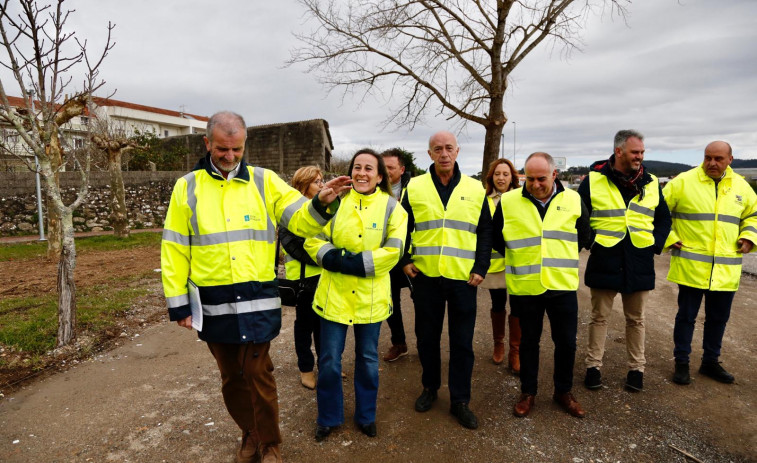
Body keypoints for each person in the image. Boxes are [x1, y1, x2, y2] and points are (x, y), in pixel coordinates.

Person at [161, 111, 351, 463]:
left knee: (258, 372)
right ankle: (249, 432)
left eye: (236, 149)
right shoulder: (186, 188)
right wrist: (179, 304)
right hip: (213, 302)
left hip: (256, 299)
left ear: (244, 144)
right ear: (207, 143)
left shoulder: (266, 182)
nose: (230, 156)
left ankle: (270, 444)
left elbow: (300, 220)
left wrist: (321, 203)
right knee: (231, 377)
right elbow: (174, 247)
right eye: (222, 149)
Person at [306, 149, 408, 442]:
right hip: (333, 297)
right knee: (329, 361)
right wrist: (333, 259)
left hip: (370, 299)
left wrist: (349, 263)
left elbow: (394, 250)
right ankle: (328, 417)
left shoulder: (392, 208)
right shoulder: (334, 203)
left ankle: (366, 416)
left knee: (367, 359)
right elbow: (313, 238)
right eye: (357, 167)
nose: (362, 173)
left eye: (369, 169)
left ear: (379, 176)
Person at [401, 131, 492, 430]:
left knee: (462, 342)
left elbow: (484, 232)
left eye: (449, 148)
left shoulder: (475, 188)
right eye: (437, 149)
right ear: (429, 154)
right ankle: (430, 388)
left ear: (457, 151)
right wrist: (405, 260)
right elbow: (402, 228)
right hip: (426, 276)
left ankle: (460, 400)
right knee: (427, 339)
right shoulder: (413, 187)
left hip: (463, 278)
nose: (444, 154)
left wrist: (481, 265)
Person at [492, 152, 593, 419]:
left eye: (541, 178)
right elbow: (495, 237)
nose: (535, 184)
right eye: (530, 178)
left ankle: (563, 391)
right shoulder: (509, 201)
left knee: (566, 344)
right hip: (526, 286)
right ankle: (528, 392)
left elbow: (585, 235)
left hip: (562, 285)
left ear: (554, 175)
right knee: (528, 343)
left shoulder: (573, 199)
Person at [580, 130, 671, 392]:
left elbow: (663, 218)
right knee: (599, 318)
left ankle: (636, 370)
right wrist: (591, 241)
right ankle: (593, 367)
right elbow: (580, 216)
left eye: (642, 152)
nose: (640, 157)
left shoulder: (651, 182)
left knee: (636, 319)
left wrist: (656, 243)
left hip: (639, 259)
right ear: (619, 151)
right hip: (604, 257)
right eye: (635, 152)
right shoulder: (593, 180)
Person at [663, 141, 757, 385]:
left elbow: (753, 215)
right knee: (686, 317)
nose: (712, 163)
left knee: (718, 319)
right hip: (691, 267)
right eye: (708, 158)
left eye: (718, 158)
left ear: (730, 160)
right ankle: (681, 363)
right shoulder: (683, 182)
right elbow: (657, 212)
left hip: (726, 269)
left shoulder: (741, 187)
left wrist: (749, 236)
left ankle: (710, 362)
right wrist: (670, 237)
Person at [278, 166, 325, 390]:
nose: (321, 185)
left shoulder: (326, 208)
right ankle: (306, 368)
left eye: (322, 180)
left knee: (325, 325)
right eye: (316, 182)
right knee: (305, 326)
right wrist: (327, 256)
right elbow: (293, 245)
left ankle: (327, 366)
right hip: (304, 279)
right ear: (303, 185)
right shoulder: (291, 211)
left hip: (326, 276)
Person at [479, 158, 521, 372]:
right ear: (491, 177)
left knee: (517, 308)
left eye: (505, 174)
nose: (501, 178)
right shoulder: (483, 200)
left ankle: (515, 351)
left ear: (512, 177)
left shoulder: (522, 199)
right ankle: (499, 344)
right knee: (497, 305)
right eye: (497, 174)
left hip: (517, 263)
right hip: (494, 265)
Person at [381, 148, 413, 362]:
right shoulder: (374, 190)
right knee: (390, 302)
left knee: (421, 301)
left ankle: (427, 343)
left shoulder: (415, 190)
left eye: (390, 167)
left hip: (411, 257)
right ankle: (398, 343)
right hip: (386, 256)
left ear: (401, 170)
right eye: (383, 167)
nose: (386, 171)